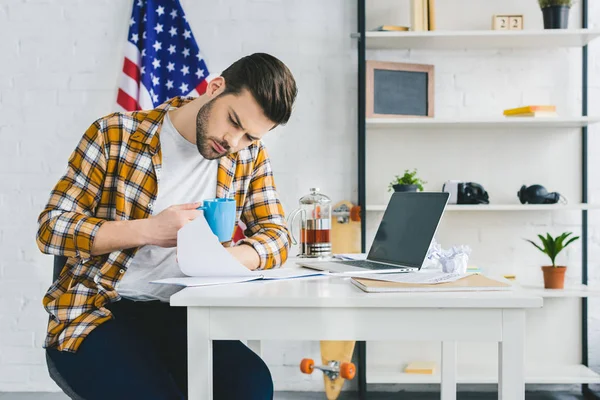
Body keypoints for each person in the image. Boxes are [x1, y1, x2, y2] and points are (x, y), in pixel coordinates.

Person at [36, 52, 297, 400]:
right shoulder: (115, 134)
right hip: (101, 311)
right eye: (233, 122)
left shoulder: (247, 156)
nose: (234, 142)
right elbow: (52, 228)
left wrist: (230, 259)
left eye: (250, 136)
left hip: (185, 312)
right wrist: (149, 230)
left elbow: (278, 236)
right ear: (215, 87)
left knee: (251, 386)